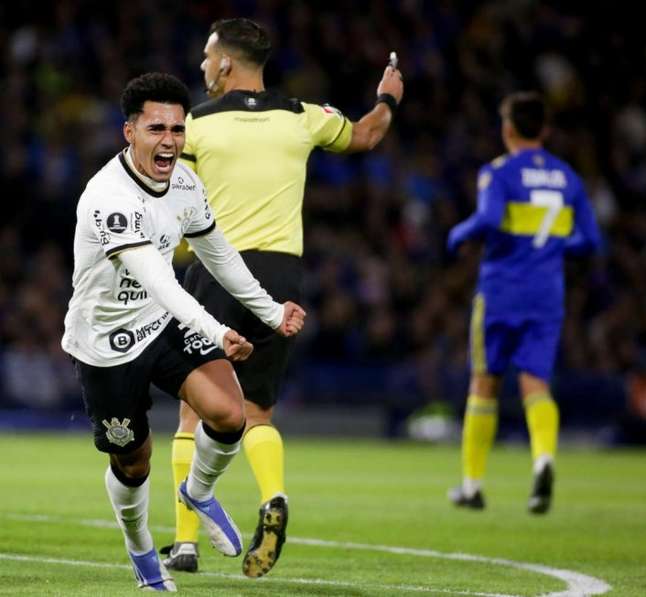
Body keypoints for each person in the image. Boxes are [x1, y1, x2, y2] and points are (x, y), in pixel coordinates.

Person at [161, 18, 404, 578]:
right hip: (279, 275)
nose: (202, 66)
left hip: (214, 270)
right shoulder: (303, 116)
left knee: (193, 407)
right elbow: (367, 135)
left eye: (206, 56)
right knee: (256, 410)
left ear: (225, 63)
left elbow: (171, 202)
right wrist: (387, 97)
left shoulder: (194, 126)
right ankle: (272, 496)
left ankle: (187, 541)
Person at [61, 72, 306, 591]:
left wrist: (268, 311)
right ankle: (140, 548)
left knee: (228, 413)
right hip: (108, 342)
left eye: (177, 128)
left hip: (162, 322)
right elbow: (157, 276)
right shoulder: (109, 197)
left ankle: (197, 492)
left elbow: (218, 253)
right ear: (129, 132)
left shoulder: (186, 185)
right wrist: (218, 331)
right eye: (156, 128)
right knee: (134, 462)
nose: (169, 140)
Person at [446, 91, 600, 514]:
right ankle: (544, 458)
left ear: (508, 128)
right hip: (547, 294)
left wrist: (458, 234)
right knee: (536, 384)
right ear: (545, 130)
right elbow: (591, 241)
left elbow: (491, 220)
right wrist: (552, 245)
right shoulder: (569, 178)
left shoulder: (498, 172)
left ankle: (472, 486)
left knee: (484, 383)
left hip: (500, 291)